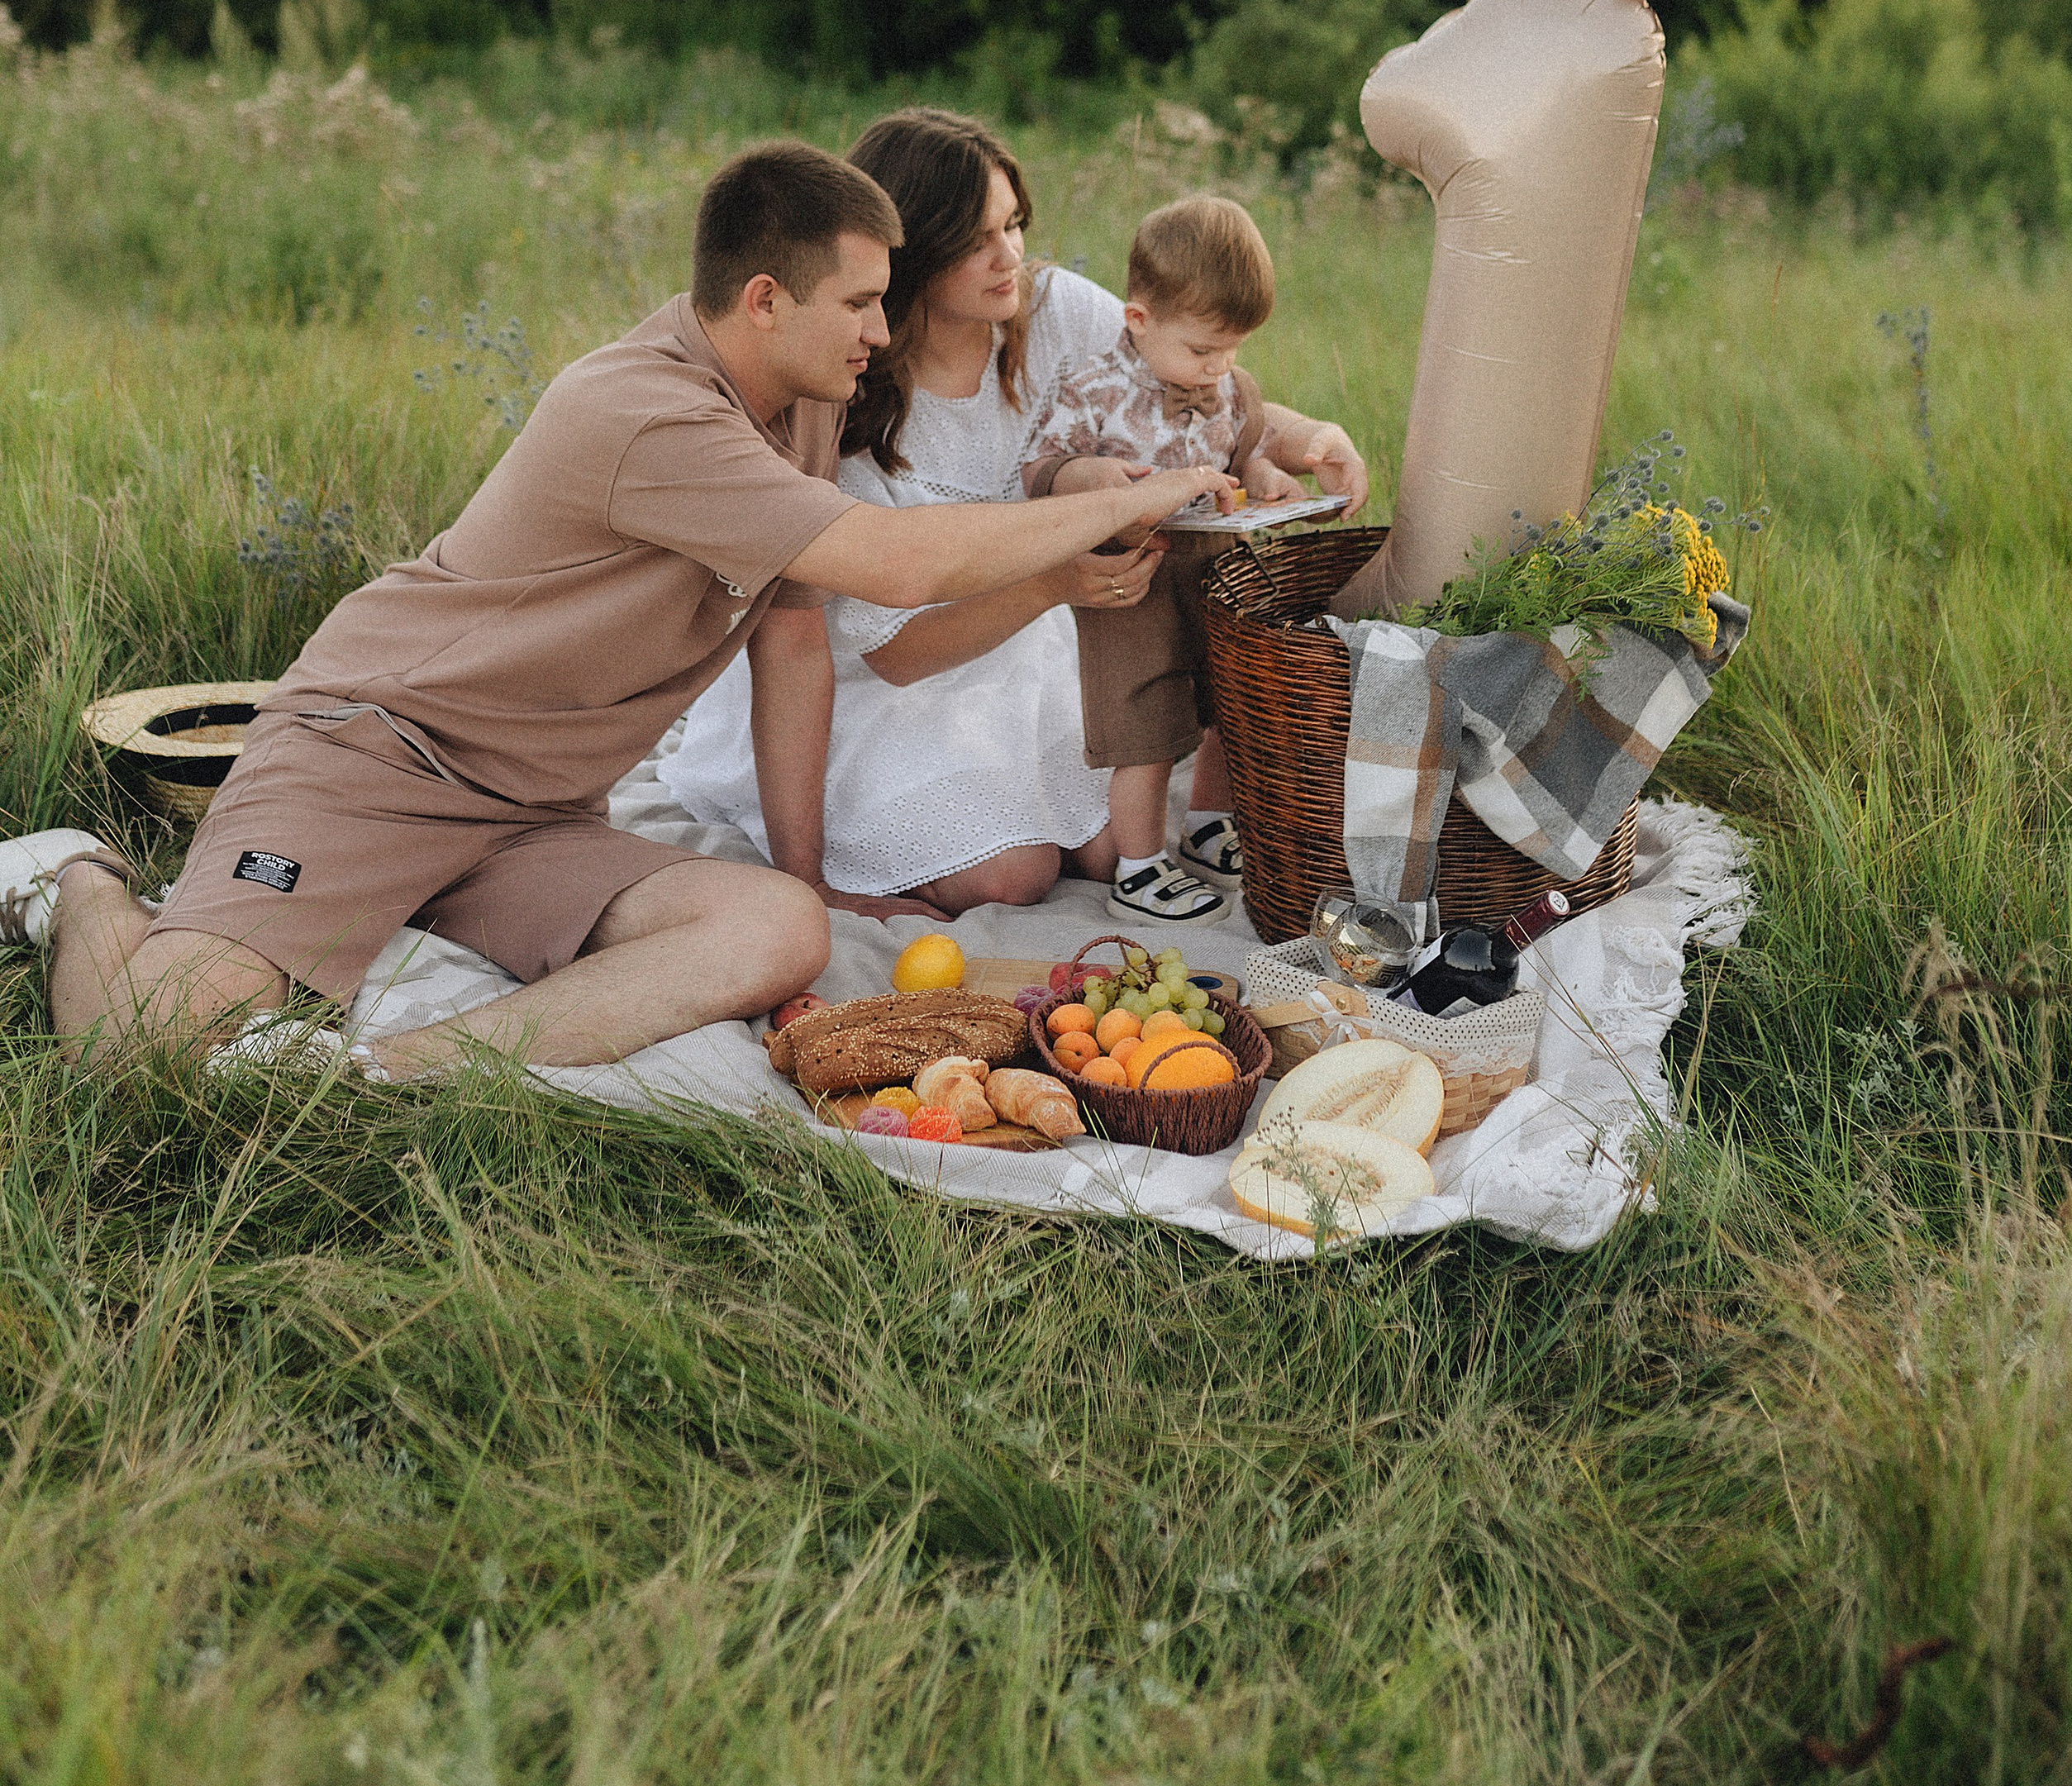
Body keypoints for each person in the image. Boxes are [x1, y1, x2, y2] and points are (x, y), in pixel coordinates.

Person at [0, 140, 1222, 1078]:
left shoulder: (800, 400)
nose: (883, 329)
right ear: (761, 299)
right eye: (858, 303)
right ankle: (84, 880)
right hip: (374, 758)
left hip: (534, 813)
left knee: (777, 932)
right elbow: (893, 565)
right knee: (142, 1047)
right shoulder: (643, 412)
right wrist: (1151, 490)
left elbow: (795, 634)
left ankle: (386, 1074)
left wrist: (814, 880)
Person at [666, 112, 1369, 919]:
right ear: (908, 252)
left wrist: (1310, 436)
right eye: (977, 239)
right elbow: (894, 652)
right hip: (896, 667)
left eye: (1014, 224)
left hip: (1040, 636)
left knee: (1117, 845)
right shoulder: (849, 388)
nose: (1010, 257)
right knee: (1014, 874)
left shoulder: (1055, 309)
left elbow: (1193, 377)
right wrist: (1052, 583)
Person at [1018, 195, 1308, 927]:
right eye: (1203, 350)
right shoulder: (1093, 391)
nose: (1220, 367)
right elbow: (1041, 470)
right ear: (1139, 320)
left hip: (1215, 569)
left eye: (1234, 348)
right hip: (1133, 575)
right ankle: (1139, 867)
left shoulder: (1233, 389)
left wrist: (1268, 478)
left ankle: (1210, 826)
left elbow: (1246, 456)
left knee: (1225, 707)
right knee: (1143, 728)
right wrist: (1091, 482)